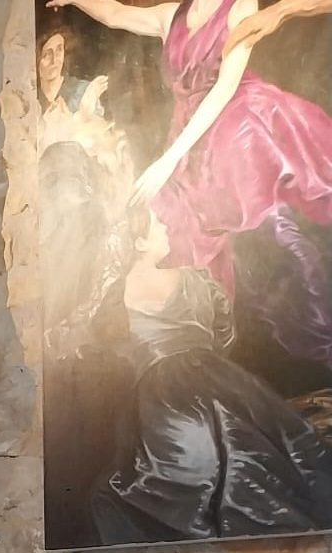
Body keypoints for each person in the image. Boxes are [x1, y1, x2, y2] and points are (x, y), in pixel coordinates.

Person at [50, 0, 332, 368]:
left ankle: (316, 349)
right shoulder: (173, 15)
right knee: (171, 236)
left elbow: (224, 90)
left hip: (236, 124)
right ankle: (201, 350)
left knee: (265, 237)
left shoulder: (239, 6)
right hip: (188, 138)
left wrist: (170, 160)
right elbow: (117, 14)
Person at [93, 210, 332, 541]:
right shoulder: (194, 279)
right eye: (156, 224)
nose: (166, 225)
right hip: (218, 378)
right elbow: (225, 331)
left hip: (156, 396)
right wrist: (203, 352)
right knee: (273, 450)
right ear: (139, 241)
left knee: (155, 476)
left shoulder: (114, 297)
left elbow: (109, 350)